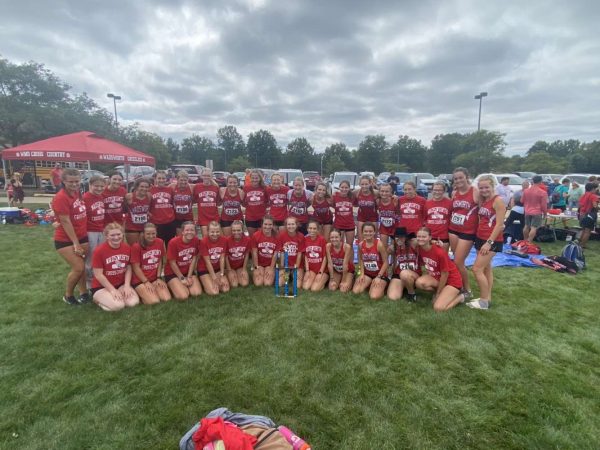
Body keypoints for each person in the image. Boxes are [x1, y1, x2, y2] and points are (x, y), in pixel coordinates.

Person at [467, 175, 506, 310]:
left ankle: (483, 302)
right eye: (481, 187)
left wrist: (489, 242)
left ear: (493, 186)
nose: (484, 190)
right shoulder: (484, 201)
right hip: (480, 237)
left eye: (486, 187)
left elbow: (500, 225)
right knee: (486, 268)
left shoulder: (498, 201)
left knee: (476, 269)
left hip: (491, 241)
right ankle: (487, 297)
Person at [52, 168, 89, 305]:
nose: (74, 184)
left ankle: (84, 292)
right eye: (71, 182)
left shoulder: (77, 192)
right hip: (65, 239)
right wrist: (76, 243)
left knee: (82, 267)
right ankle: (68, 295)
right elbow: (65, 221)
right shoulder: (61, 197)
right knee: (78, 267)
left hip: (82, 235)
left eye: (77, 181)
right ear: (63, 181)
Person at [91, 222, 139, 311]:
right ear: (106, 236)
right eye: (112, 235)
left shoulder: (127, 248)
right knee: (118, 306)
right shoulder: (99, 251)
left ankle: (115, 296)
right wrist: (112, 290)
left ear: (123, 234)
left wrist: (127, 286)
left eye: (118, 234)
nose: (116, 237)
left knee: (133, 303)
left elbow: (128, 267)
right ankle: (97, 299)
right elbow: (98, 275)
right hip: (102, 286)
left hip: (120, 284)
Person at [414, 227, 464, 312]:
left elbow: (445, 274)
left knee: (438, 308)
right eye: (419, 236)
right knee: (419, 283)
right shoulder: (420, 248)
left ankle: (461, 297)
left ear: (430, 237)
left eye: (424, 237)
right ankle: (444, 293)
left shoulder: (439, 252)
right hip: (437, 277)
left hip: (452, 281)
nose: (420, 239)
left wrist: (438, 293)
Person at [448, 167, 479, 299]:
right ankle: (457, 285)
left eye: (461, 177)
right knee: (456, 260)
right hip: (453, 229)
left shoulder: (475, 191)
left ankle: (467, 290)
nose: (458, 180)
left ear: (467, 177)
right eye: (456, 178)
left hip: (468, 231)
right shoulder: (454, 192)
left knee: (459, 261)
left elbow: (484, 209)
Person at [131, 223, 171, 304]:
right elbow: (136, 268)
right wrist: (146, 282)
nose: (151, 236)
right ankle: (139, 293)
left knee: (166, 298)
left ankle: (149, 293)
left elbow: (159, 260)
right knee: (154, 301)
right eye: (148, 234)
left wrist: (158, 277)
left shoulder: (159, 242)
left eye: (153, 233)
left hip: (154, 278)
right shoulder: (136, 246)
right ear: (143, 234)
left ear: (156, 233)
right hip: (140, 280)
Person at [165, 221, 202, 300]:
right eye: (187, 230)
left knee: (197, 293)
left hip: (187, 271)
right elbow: (172, 263)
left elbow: (194, 258)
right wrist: (182, 278)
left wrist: (189, 276)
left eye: (192, 230)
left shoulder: (195, 240)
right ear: (182, 231)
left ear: (195, 232)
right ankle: (172, 285)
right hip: (173, 272)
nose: (189, 232)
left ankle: (180, 286)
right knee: (184, 296)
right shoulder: (173, 242)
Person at [352, 222, 388, 300]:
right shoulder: (361, 245)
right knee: (356, 291)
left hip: (380, 275)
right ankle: (370, 283)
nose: (368, 233)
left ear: (374, 232)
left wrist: (379, 276)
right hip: (368, 274)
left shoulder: (379, 244)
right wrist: (362, 274)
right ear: (362, 232)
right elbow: (361, 260)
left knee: (374, 296)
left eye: (370, 231)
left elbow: (386, 262)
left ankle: (383, 286)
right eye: (366, 231)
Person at [83, 175, 106, 290]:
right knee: (90, 258)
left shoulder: (100, 197)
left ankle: (99, 279)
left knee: (100, 255)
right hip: (90, 231)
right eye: (96, 186)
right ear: (90, 185)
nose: (99, 188)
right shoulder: (85, 198)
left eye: (102, 186)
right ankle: (89, 284)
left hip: (100, 229)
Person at [387, 229, 421, 302]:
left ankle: (411, 294)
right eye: (397, 237)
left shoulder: (413, 244)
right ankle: (404, 287)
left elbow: (425, 242)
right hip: (398, 274)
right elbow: (384, 257)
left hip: (413, 274)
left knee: (405, 274)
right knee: (393, 297)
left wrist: (434, 242)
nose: (399, 239)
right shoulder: (393, 247)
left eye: (402, 237)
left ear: (406, 237)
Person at [198, 221, 230, 295]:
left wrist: (221, 275)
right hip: (204, 269)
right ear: (208, 231)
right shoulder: (203, 241)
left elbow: (222, 258)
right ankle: (204, 280)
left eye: (217, 231)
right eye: (212, 232)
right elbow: (207, 262)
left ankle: (210, 280)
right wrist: (214, 278)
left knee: (225, 289)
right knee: (214, 292)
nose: (215, 234)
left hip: (217, 268)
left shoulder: (224, 240)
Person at [276, 216, 305, 289]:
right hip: (286, 265)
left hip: (297, 265)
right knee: (280, 283)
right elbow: (281, 252)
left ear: (296, 225)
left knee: (297, 286)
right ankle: (288, 275)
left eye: (293, 224)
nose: (291, 226)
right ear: (286, 225)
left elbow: (299, 254)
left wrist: (296, 267)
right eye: (289, 224)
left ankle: (293, 274)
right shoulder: (281, 236)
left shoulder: (301, 236)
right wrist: (283, 267)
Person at [424, 181, 452, 253]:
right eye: (435, 190)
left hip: (443, 236)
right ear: (432, 190)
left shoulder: (449, 203)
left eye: (439, 190)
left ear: (444, 191)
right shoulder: (427, 203)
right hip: (430, 235)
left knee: (443, 258)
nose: (437, 192)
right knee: (429, 258)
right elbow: (424, 219)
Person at [149, 170, 176, 245]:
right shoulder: (150, 190)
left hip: (170, 221)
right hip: (156, 222)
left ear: (166, 179)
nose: (161, 180)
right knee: (157, 244)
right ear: (155, 179)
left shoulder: (170, 190)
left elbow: (172, 203)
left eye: (163, 178)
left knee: (170, 244)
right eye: (159, 178)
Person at [251, 215, 278, 287]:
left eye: (270, 224)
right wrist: (256, 267)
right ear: (262, 224)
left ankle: (271, 271)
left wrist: (271, 268)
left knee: (267, 283)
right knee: (258, 283)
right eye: (265, 224)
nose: (267, 226)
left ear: (273, 225)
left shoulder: (277, 236)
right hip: (259, 264)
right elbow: (254, 253)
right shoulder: (255, 235)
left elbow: (275, 254)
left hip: (270, 264)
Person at [302, 219, 329, 291]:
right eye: (310, 228)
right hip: (312, 269)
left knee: (314, 289)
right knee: (305, 287)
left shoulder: (322, 240)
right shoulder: (305, 239)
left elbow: (325, 257)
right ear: (307, 229)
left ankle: (324, 280)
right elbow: (306, 256)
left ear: (318, 230)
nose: (312, 230)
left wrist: (320, 272)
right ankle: (315, 279)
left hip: (322, 270)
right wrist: (307, 271)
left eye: (314, 228)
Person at [124, 178, 151, 245]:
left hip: (144, 227)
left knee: (144, 248)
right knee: (134, 248)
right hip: (131, 227)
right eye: (141, 186)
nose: (144, 189)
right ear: (136, 187)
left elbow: (150, 209)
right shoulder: (129, 196)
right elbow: (123, 210)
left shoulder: (149, 196)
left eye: (146, 187)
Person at [194, 168, 220, 237]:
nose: (206, 177)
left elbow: (218, 202)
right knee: (205, 239)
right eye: (204, 175)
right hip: (203, 218)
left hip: (214, 217)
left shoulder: (215, 187)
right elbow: (194, 200)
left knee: (215, 238)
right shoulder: (197, 187)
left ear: (211, 176)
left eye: (208, 175)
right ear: (201, 176)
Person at [521, 175, 548, 243]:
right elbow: (543, 205)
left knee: (526, 226)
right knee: (534, 227)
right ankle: (529, 242)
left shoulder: (526, 191)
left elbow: (522, 201)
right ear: (541, 182)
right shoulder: (543, 192)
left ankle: (525, 240)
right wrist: (545, 213)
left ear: (533, 181)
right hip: (536, 212)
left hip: (527, 211)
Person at [225, 220, 251, 288]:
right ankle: (229, 273)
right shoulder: (227, 240)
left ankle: (237, 274)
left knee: (244, 283)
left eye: (238, 230)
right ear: (231, 231)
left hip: (240, 266)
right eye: (234, 230)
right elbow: (226, 257)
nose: (236, 232)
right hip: (230, 267)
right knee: (234, 285)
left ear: (242, 230)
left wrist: (244, 269)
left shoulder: (247, 239)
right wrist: (229, 270)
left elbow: (246, 255)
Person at [243, 169, 267, 236]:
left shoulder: (264, 188)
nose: (254, 180)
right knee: (252, 238)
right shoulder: (246, 188)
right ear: (250, 178)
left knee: (261, 237)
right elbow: (243, 201)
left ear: (260, 178)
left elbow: (268, 201)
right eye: (253, 178)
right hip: (250, 217)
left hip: (261, 217)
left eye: (256, 178)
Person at [355, 175, 379, 242]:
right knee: (361, 240)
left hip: (373, 217)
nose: (364, 186)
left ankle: (374, 252)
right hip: (361, 217)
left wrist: (393, 196)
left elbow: (385, 194)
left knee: (373, 240)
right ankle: (361, 252)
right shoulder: (356, 192)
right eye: (362, 184)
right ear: (359, 184)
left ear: (370, 184)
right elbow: (346, 194)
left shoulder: (375, 193)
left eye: (366, 184)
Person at [332, 180, 356, 246]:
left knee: (350, 245)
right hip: (338, 225)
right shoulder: (334, 196)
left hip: (350, 225)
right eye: (342, 187)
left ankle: (350, 257)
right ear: (339, 187)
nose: (344, 189)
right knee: (339, 245)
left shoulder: (352, 196)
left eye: (346, 187)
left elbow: (359, 190)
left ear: (349, 188)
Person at [376, 183, 398, 249]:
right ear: (379, 192)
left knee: (394, 248)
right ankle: (384, 259)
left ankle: (393, 260)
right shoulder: (377, 201)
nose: (384, 193)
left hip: (395, 227)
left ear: (391, 192)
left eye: (386, 191)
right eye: (382, 191)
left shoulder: (395, 200)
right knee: (383, 247)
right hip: (383, 228)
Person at [578, 182, 599, 248]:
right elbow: (595, 206)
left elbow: (580, 204)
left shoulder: (584, 195)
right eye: (596, 189)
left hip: (582, 214)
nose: (596, 190)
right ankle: (583, 245)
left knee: (583, 229)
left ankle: (579, 243)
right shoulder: (593, 196)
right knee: (587, 231)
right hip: (590, 214)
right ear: (592, 189)